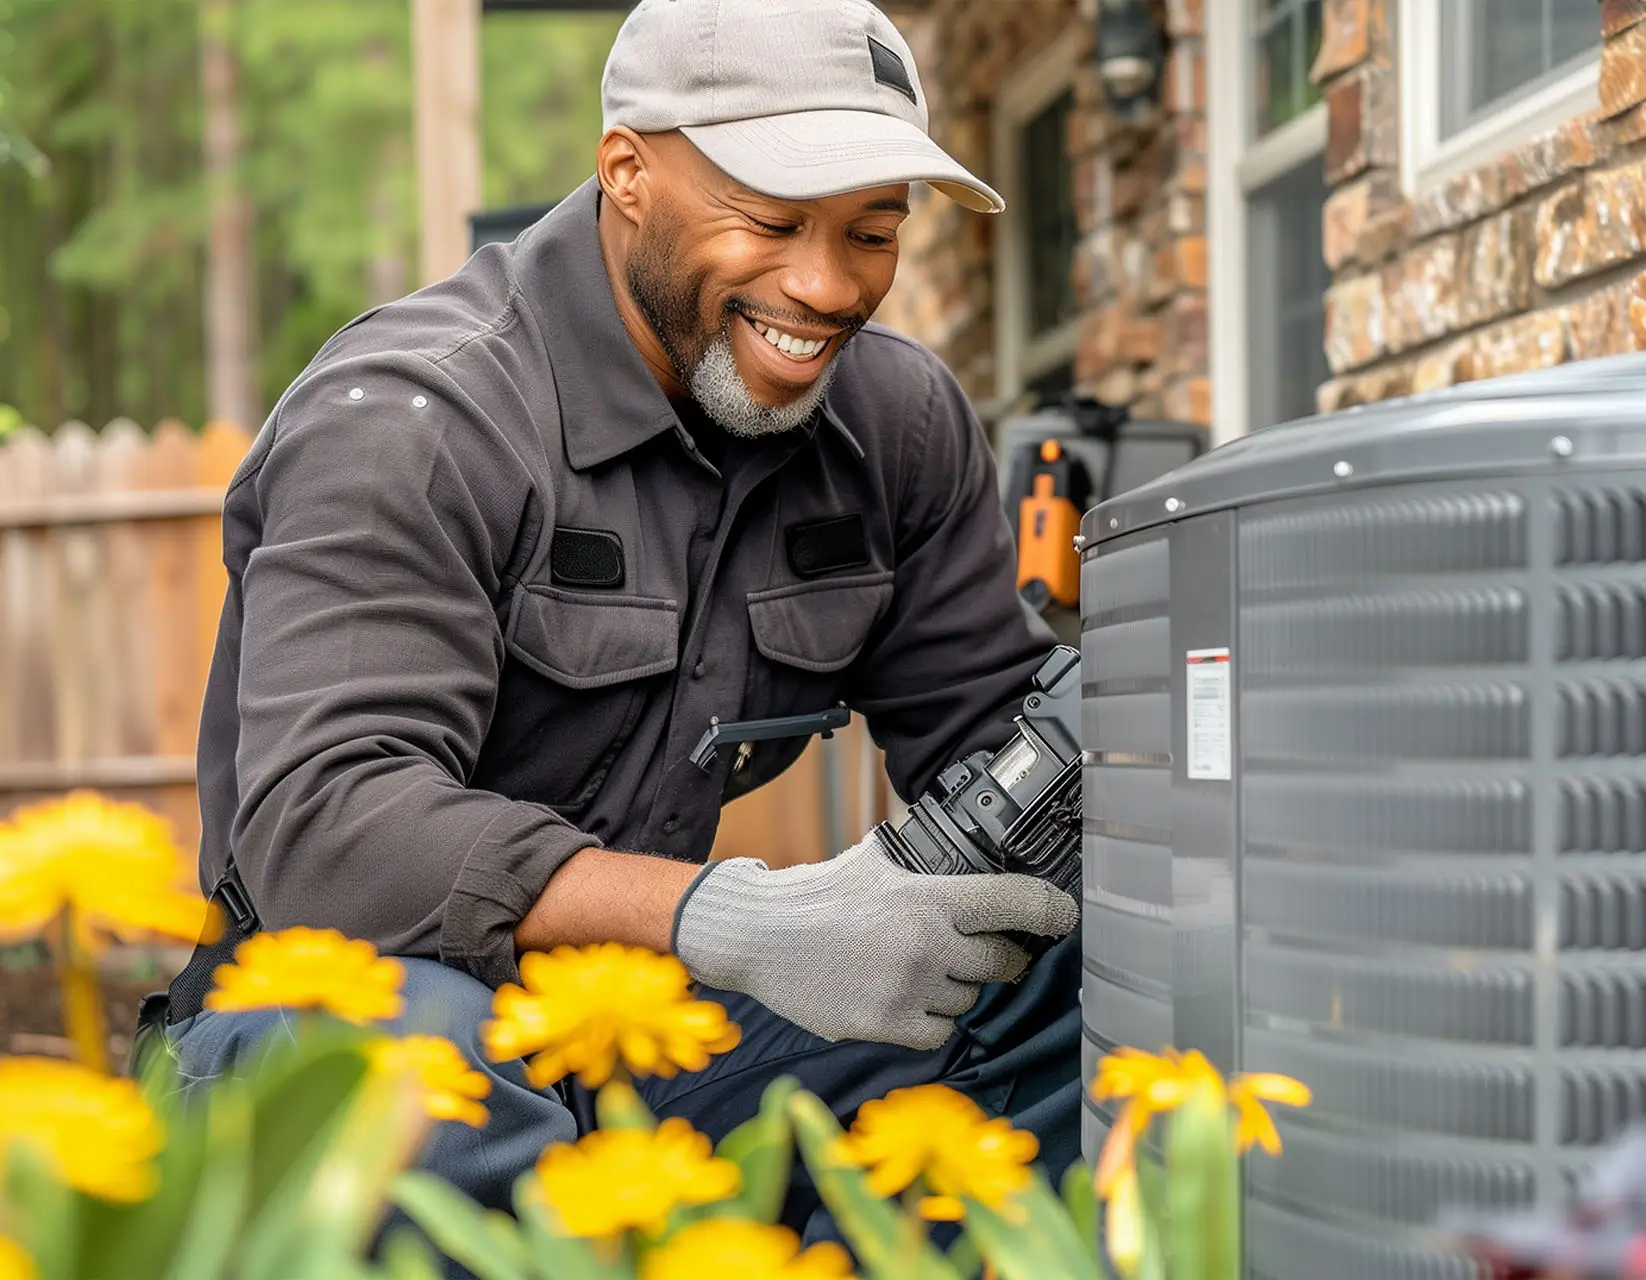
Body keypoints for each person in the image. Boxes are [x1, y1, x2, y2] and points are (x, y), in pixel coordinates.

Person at [155, 0, 1083, 1246]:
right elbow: (326, 825)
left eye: (872, 231)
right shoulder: (417, 414)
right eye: (772, 221)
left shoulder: (896, 427)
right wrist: (735, 918)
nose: (825, 286)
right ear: (628, 172)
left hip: (645, 1045)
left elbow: (991, 742)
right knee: (412, 1056)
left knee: (1058, 970)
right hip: (323, 1032)